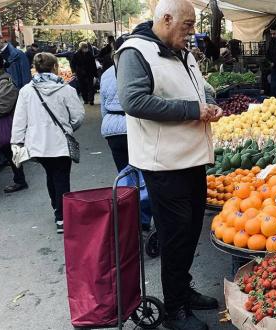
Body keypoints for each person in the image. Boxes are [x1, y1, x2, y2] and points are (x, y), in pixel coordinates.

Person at [115, 0, 222, 329]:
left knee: (190, 232)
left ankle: (183, 291)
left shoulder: (183, 52)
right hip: (163, 164)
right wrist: (192, 110)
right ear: (165, 18)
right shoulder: (136, 52)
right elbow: (133, 101)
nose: (192, 31)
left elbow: (200, 87)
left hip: (191, 159)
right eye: (187, 25)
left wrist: (212, 100)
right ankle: (174, 309)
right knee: (175, 236)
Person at [11, 53, 85, 233]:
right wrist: (68, 128)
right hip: (61, 142)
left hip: (37, 144)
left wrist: (17, 142)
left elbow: (20, 119)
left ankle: (57, 209)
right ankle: (62, 217)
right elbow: (78, 116)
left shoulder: (26, 91)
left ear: (35, 68)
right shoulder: (66, 90)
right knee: (61, 177)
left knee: (51, 175)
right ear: (54, 67)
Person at [0, 51, 27, 192]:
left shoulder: (5, 81)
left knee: (9, 151)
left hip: (3, 122)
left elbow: (2, 106)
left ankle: (20, 181)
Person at [100, 36, 128, 172]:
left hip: (112, 128)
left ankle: (125, 192)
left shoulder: (106, 74)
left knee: (123, 171)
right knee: (144, 173)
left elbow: (103, 107)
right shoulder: (141, 68)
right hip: (133, 126)